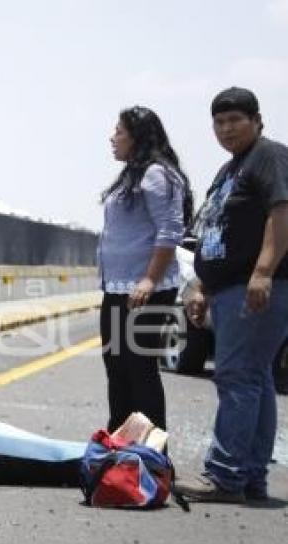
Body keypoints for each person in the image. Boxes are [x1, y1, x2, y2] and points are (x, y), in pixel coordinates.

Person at [175, 88, 288, 503]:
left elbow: (282, 211)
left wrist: (263, 272)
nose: (226, 129)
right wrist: (203, 285)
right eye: (219, 123)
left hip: (253, 288)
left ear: (258, 121)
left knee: (237, 376)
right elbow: (215, 231)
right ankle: (250, 476)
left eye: (235, 120)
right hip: (228, 288)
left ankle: (224, 475)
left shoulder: (269, 156)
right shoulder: (228, 171)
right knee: (254, 378)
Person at [97, 106, 189, 432]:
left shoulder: (156, 173)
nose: (113, 137)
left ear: (137, 136)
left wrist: (150, 278)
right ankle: (120, 454)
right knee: (118, 371)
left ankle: (152, 460)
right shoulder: (132, 175)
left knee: (139, 372)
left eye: (119, 131)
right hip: (119, 289)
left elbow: (169, 229)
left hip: (144, 290)